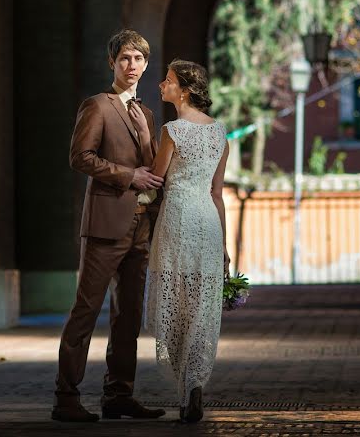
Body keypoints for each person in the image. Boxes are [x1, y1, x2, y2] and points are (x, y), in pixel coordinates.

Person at [52, 29, 167, 422]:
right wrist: (127, 176)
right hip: (105, 225)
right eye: (124, 59)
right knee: (85, 311)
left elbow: (152, 167)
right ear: (112, 63)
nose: (131, 66)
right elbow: (80, 157)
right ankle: (65, 398)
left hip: (140, 228)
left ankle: (118, 395)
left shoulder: (147, 113)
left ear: (146, 65)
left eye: (138, 59)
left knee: (129, 316)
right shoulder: (98, 106)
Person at [141, 59, 230, 423]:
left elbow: (156, 178)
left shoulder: (172, 131)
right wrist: (224, 246)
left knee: (175, 302)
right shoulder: (220, 132)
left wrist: (134, 195)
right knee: (202, 307)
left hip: (177, 217)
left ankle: (184, 386)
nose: (162, 85)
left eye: (169, 81)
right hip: (208, 223)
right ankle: (195, 387)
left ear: (185, 90)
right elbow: (218, 192)